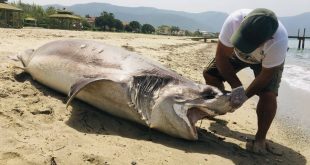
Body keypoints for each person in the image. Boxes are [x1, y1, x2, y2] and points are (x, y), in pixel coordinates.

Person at [203, 8, 288, 154]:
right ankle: (219, 108)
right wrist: (237, 87)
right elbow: (221, 57)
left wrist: (243, 96)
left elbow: (265, 76)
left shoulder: (279, 41)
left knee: (268, 94)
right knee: (210, 74)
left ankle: (260, 138)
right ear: (242, 24)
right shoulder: (233, 20)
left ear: (268, 39)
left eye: (249, 43)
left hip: (264, 61)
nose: (245, 46)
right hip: (235, 55)